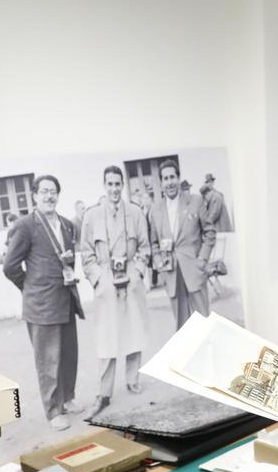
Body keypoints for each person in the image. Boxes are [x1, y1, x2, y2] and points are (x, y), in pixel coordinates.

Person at [3, 174, 85, 431]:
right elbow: (10, 266)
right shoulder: (25, 226)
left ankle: (68, 399)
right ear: (35, 196)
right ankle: (53, 411)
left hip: (66, 298)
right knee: (48, 360)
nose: (50, 196)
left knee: (69, 354)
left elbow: (67, 260)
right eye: (44, 191)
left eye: (54, 191)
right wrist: (30, 287)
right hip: (41, 304)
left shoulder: (66, 224)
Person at [80, 165, 151, 417]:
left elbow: (145, 247)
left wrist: (138, 272)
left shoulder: (135, 212)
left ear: (123, 185)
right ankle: (105, 391)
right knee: (107, 337)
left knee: (133, 330)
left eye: (117, 184)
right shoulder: (91, 216)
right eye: (109, 184)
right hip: (106, 279)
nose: (113, 189)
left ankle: (132, 379)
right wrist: (99, 279)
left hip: (130, 275)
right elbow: (86, 254)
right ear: (104, 185)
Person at [147, 159, 216, 329]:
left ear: (178, 179)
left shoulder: (195, 201)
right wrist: (160, 266)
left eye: (172, 177)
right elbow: (154, 244)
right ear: (161, 182)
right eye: (165, 178)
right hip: (171, 275)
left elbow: (209, 232)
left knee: (204, 323)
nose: (169, 182)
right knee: (182, 328)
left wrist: (201, 260)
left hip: (195, 271)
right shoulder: (155, 210)